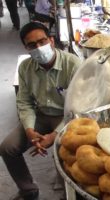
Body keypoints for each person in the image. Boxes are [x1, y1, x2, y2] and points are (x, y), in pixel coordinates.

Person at [0, 22, 81, 200]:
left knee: (63, 152)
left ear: (51, 41)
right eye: (32, 45)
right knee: (7, 148)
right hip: (41, 114)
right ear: (26, 48)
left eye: (42, 41)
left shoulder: (72, 64)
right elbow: (24, 101)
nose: (39, 48)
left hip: (68, 116)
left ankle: (67, 194)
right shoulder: (25, 67)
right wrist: (29, 129)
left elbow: (79, 106)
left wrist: (55, 135)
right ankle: (28, 189)